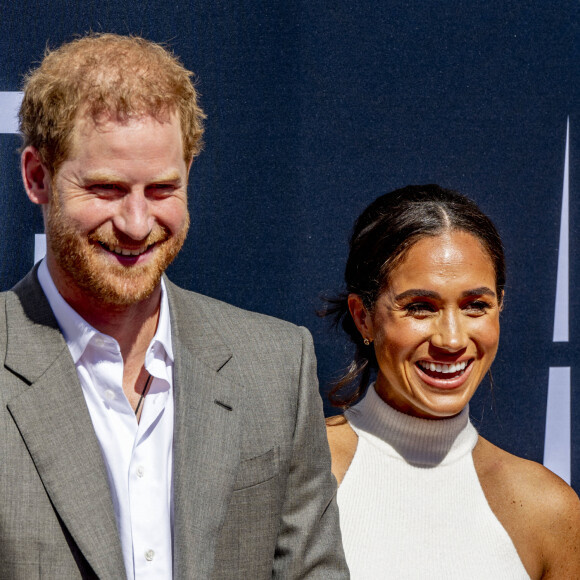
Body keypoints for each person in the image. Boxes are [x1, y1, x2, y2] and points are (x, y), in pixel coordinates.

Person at [0, 33, 348, 579]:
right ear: (37, 177)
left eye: (162, 189)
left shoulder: (277, 367)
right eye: (108, 189)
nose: (137, 224)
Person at [324, 184, 580, 579]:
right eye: (420, 308)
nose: (453, 339)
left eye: (475, 305)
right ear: (364, 317)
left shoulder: (548, 508)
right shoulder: (300, 472)